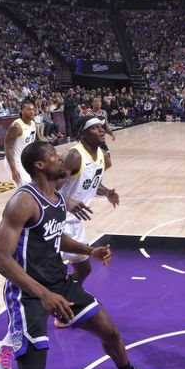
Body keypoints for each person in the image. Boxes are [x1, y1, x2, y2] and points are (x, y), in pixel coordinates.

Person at [0, 142, 161, 369]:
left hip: (60, 283)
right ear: (39, 165)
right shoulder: (23, 202)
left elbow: (55, 237)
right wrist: (44, 295)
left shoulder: (58, 198)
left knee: (111, 332)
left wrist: (88, 249)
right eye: (53, 155)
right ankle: (1, 351)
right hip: (27, 293)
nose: (60, 158)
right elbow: (0, 260)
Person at [57, 116, 119, 307]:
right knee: (62, 269)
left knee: (83, 268)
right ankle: (63, 304)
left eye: (102, 127)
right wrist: (67, 201)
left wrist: (106, 191)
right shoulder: (74, 156)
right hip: (57, 217)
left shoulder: (101, 155)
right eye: (95, 128)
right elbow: (49, 186)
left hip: (74, 219)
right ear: (83, 133)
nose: (101, 130)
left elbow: (91, 181)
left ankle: (71, 297)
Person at [4, 102, 37, 187]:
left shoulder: (33, 124)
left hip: (26, 160)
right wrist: (13, 170)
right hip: (15, 161)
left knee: (35, 185)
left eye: (33, 109)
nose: (32, 112)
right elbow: (8, 148)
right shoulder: (16, 127)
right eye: (29, 109)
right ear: (22, 111)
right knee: (28, 188)